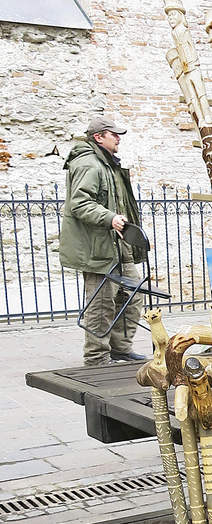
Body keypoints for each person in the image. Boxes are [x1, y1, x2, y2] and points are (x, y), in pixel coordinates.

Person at [59, 116, 148, 365]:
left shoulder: (106, 163)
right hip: (97, 248)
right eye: (114, 134)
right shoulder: (89, 164)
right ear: (99, 137)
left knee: (132, 294)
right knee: (100, 304)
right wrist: (109, 218)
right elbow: (79, 203)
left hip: (118, 246)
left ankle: (120, 347)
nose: (118, 138)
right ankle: (97, 357)